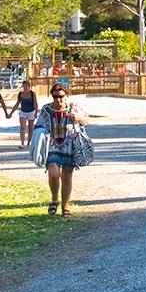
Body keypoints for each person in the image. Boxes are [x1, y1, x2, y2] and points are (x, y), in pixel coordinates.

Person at [35, 85, 88, 216]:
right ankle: (54, 199)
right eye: (55, 97)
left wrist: (78, 118)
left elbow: (87, 120)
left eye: (61, 97)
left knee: (67, 174)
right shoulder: (46, 109)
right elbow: (38, 126)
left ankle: (65, 206)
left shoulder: (74, 107)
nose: (58, 100)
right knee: (53, 173)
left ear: (66, 95)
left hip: (69, 144)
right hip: (52, 145)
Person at [9, 79, 39, 150]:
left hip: (31, 111)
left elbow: (35, 103)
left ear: (29, 86)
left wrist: (36, 112)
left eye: (26, 86)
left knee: (30, 128)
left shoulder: (32, 93)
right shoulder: (20, 94)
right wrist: (11, 113)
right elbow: (17, 104)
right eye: (23, 86)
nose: (25, 87)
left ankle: (28, 143)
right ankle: (22, 143)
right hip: (23, 111)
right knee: (22, 127)